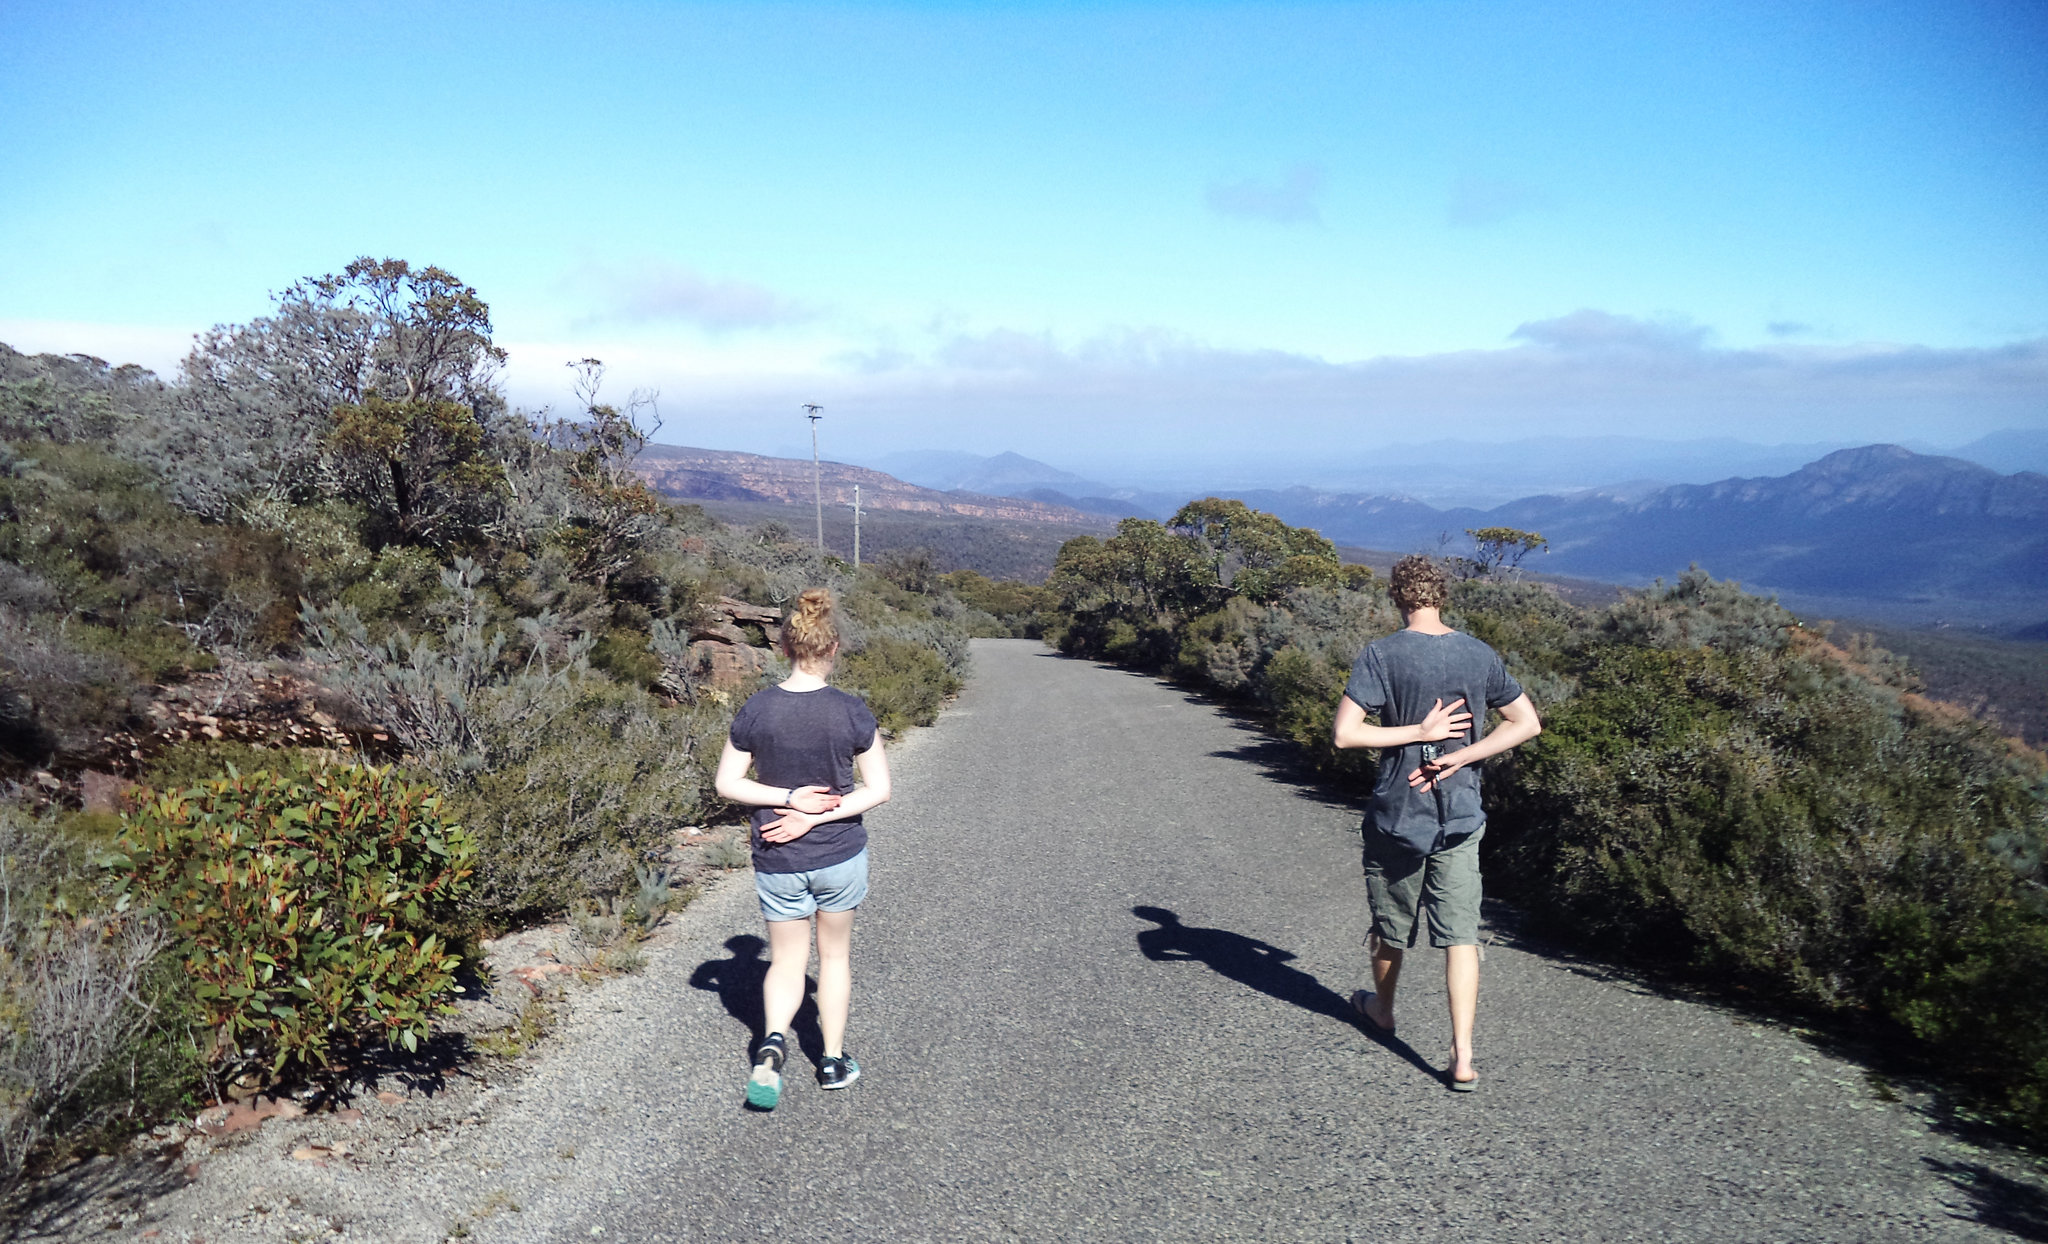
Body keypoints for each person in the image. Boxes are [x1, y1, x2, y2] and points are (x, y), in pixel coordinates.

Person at [1332, 555, 1541, 1090]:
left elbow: (1346, 734)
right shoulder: (1478, 653)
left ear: (1397, 597)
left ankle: (1382, 1010)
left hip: (1399, 814)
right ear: (1441, 595)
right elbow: (1526, 722)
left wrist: (1414, 731)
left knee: (1390, 925)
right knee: (1461, 936)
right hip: (1461, 814)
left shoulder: (1381, 655)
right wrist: (1464, 755)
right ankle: (1462, 1056)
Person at [714, 588, 892, 1110]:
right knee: (834, 956)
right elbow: (878, 790)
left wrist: (789, 802)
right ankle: (833, 1061)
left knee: (787, 961)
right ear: (832, 647)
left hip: (776, 858)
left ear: (784, 648)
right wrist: (818, 810)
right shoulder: (852, 712)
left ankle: (771, 1045)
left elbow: (728, 783)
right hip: (839, 854)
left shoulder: (756, 710)